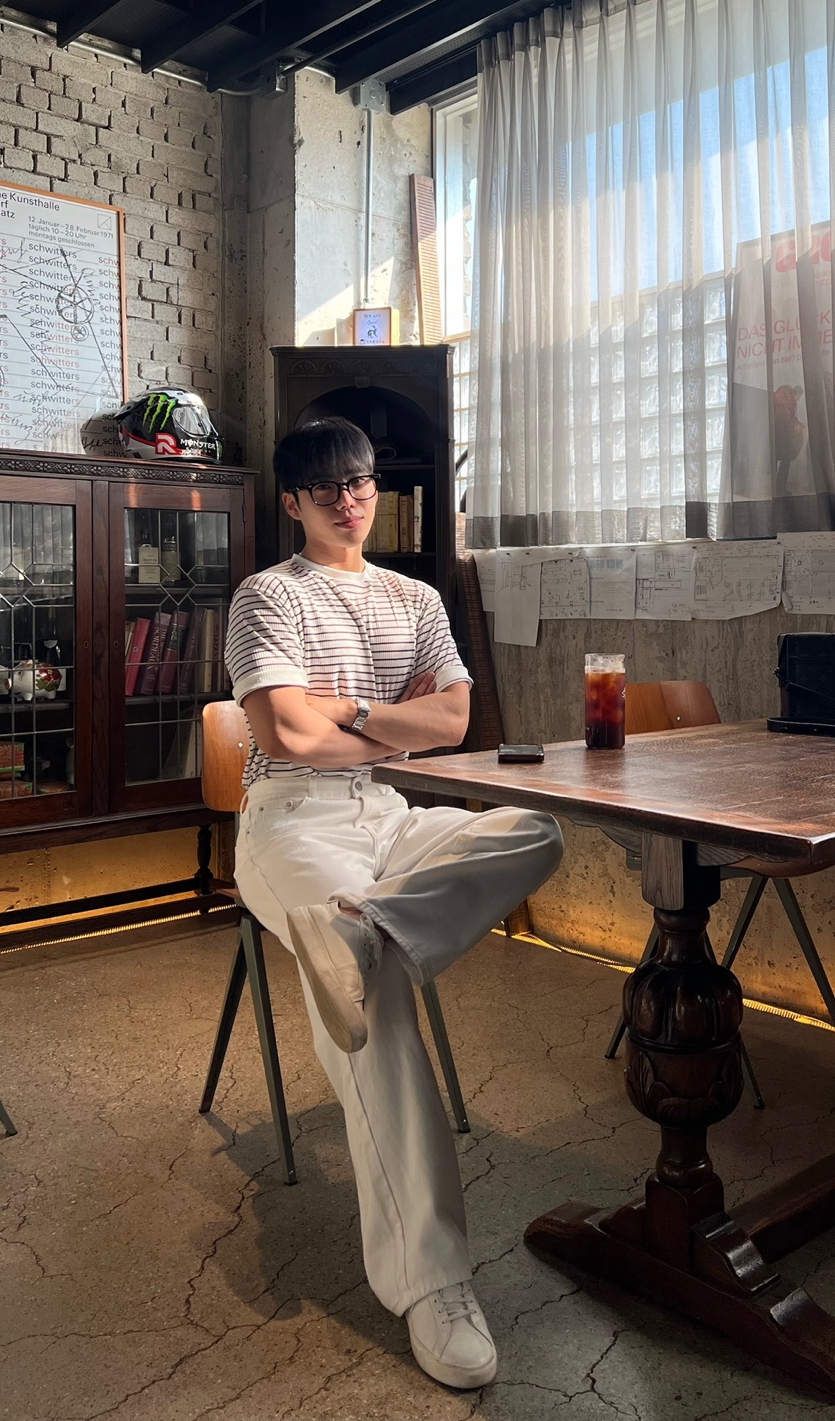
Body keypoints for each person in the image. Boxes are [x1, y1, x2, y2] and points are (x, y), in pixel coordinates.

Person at [225, 417, 563, 1389]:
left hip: (389, 813)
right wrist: (388, 722)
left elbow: (456, 720)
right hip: (290, 822)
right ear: (293, 501)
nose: (349, 500)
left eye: (361, 482)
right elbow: (286, 738)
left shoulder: (414, 599)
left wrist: (349, 709)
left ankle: (366, 928)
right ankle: (432, 1284)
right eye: (327, 487)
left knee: (533, 829)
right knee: (376, 1005)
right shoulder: (267, 595)